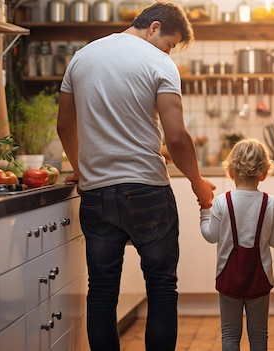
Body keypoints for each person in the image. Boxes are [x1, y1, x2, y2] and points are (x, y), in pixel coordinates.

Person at [56, 1, 216, 350]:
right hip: (147, 191)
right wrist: (198, 182)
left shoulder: (82, 58)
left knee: (100, 290)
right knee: (160, 288)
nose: (169, 51)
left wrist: (81, 169)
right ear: (154, 27)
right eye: (170, 43)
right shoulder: (159, 62)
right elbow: (175, 137)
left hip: (96, 193)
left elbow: (64, 124)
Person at [199, 138, 274, 351]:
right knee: (259, 336)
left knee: (229, 335)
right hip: (260, 279)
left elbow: (210, 236)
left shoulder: (221, 202)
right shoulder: (270, 203)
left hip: (228, 279)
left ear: (230, 172)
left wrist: (204, 210)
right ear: (263, 174)